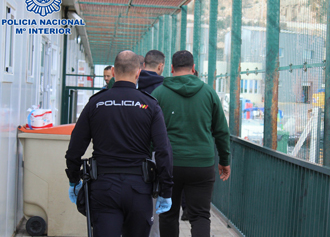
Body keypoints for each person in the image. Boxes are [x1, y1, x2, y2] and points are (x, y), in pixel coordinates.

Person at [65, 50, 173, 237]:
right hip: (139, 188)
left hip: (104, 187)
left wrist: (74, 180)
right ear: (138, 72)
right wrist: (166, 189)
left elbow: (75, 147)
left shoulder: (96, 103)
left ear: (113, 72)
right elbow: (163, 150)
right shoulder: (149, 105)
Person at [152, 50, 231, 237]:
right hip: (201, 164)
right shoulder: (209, 93)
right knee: (200, 215)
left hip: (169, 164)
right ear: (194, 68)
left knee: (168, 214)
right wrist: (224, 160)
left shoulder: (159, 93)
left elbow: (148, 131)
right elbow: (221, 131)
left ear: (171, 68)